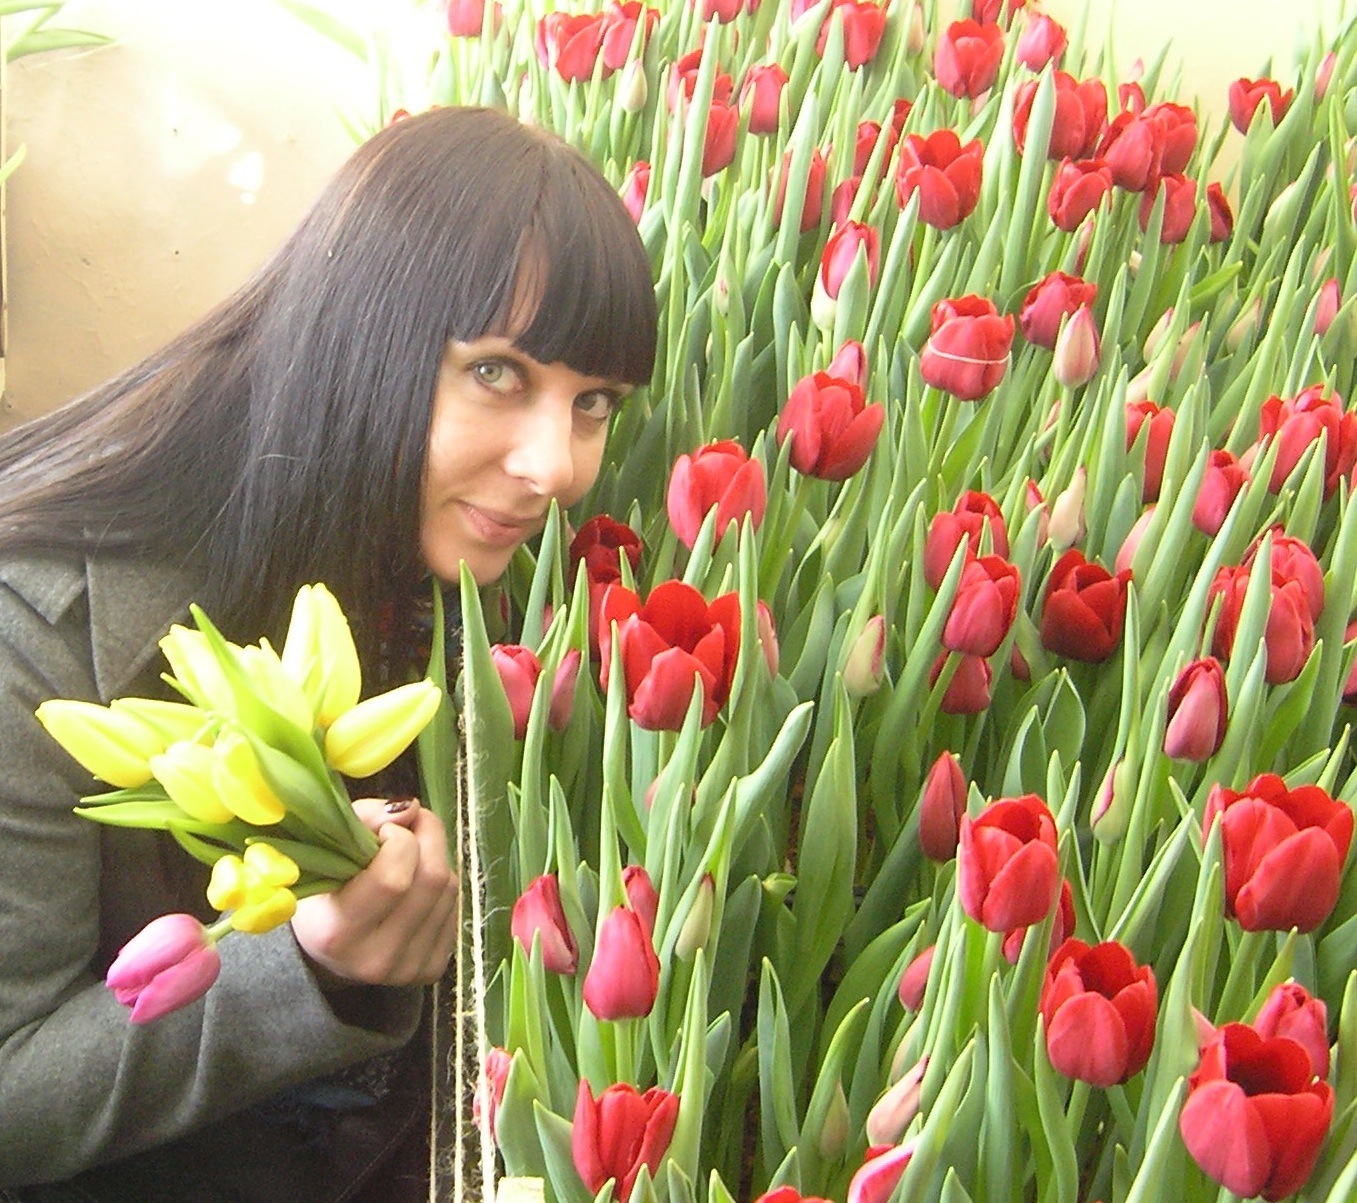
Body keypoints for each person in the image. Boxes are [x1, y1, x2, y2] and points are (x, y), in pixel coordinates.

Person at [0, 105, 658, 1200]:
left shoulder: (432, 548)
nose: (558, 467)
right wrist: (305, 968)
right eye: (497, 373)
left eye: (592, 402)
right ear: (357, 335)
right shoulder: (39, 632)